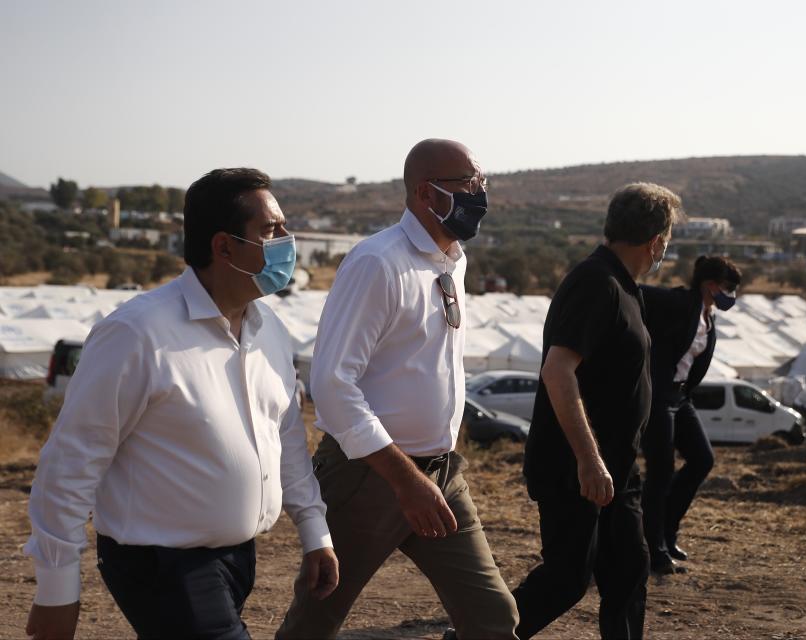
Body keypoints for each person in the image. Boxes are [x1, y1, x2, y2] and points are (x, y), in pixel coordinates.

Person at [24, 168, 338, 640]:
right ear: (224, 246)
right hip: (161, 564)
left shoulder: (268, 329)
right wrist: (56, 592)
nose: (287, 242)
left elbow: (286, 435)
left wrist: (315, 531)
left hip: (236, 558)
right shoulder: (137, 334)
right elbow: (70, 464)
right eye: (271, 231)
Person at [275, 139, 519, 640]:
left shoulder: (454, 259)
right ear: (426, 194)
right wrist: (404, 480)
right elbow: (332, 383)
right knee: (314, 624)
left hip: (442, 473)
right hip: (370, 476)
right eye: (468, 184)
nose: (480, 194)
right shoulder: (377, 263)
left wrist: (427, 473)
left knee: (494, 619)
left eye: (482, 182)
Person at [512, 183, 684, 640]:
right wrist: (589, 460)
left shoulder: (626, 288)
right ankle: (475, 635)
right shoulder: (596, 283)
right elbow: (558, 371)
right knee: (567, 579)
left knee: (630, 568)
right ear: (657, 241)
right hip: (576, 469)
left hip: (615, 470)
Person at [640, 255, 742, 575]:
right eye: (728, 288)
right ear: (710, 285)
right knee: (660, 472)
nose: (732, 296)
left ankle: (667, 534)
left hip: (680, 396)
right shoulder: (678, 302)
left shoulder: (708, 317)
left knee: (702, 459)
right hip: (657, 395)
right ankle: (652, 548)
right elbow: (636, 291)